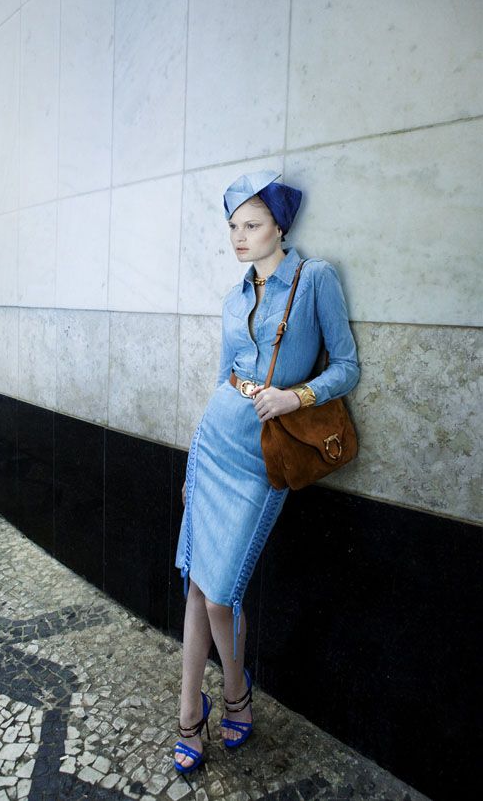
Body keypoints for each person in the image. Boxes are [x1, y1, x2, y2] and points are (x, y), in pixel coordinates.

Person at [172, 170, 360, 773]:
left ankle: (236, 691)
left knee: (221, 593)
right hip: (215, 442)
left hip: (264, 456)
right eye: (233, 226)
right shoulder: (235, 297)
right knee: (197, 583)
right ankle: (190, 709)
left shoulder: (315, 279)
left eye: (251, 225)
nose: (239, 236)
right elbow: (223, 378)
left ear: (280, 226)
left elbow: (347, 366)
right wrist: (193, 458)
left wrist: (294, 397)